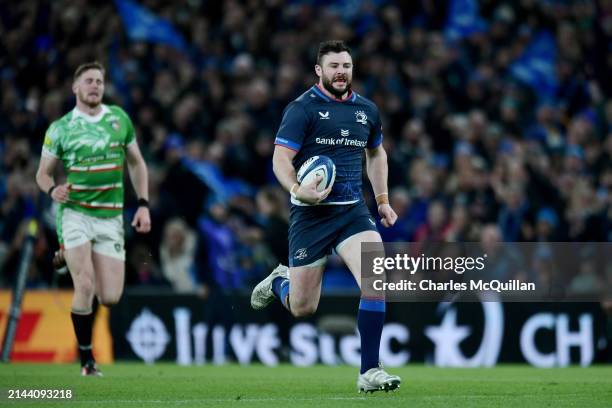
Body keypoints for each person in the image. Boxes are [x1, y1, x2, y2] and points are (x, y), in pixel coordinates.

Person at [251, 41, 401, 392]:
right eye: (333, 66)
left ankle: (369, 371)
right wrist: (296, 189)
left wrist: (382, 200)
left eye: (346, 66)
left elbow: (376, 154)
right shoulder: (302, 109)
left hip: (352, 213)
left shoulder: (366, 110)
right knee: (303, 307)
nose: (341, 72)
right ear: (319, 70)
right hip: (311, 217)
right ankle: (278, 281)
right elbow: (280, 159)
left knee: (375, 278)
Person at [35, 62, 151, 376]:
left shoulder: (119, 119)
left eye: (99, 81)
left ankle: (70, 257)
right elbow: (42, 174)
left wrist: (142, 204)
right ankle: (86, 360)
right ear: (75, 88)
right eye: (89, 81)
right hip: (75, 213)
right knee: (84, 284)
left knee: (110, 296)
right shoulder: (60, 128)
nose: (95, 86)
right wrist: (53, 191)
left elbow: (137, 164)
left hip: (110, 218)